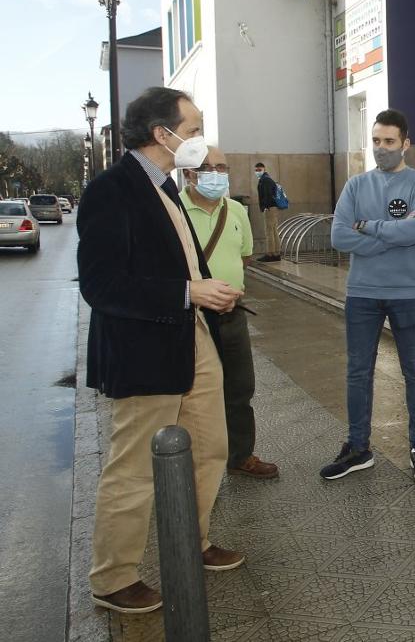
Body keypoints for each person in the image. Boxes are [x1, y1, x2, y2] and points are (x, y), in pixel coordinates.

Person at [79, 87, 244, 614]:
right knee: (133, 466)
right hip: (143, 348)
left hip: (190, 337)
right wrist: (186, 292)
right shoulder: (112, 190)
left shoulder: (167, 187)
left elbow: (179, 261)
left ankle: (188, 543)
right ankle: (112, 577)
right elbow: (101, 285)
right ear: (161, 134)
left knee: (210, 444)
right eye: (193, 129)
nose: (199, 139)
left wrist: (206, 291)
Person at [322, 109, 415, 482]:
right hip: (363, 293)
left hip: (410, 293)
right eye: (376, 141)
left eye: (389, 141)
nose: (381, 148)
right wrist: (390, 236)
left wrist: (369, 228)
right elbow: (339, 237)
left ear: (405, 143)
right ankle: (358, 447)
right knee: (358, 372)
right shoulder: (355, 186)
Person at [181, 146, 278, 479]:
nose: (217, 174)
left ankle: (240, 455)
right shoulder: (174, 210)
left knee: (240, 388)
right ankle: (192, 468)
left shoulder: (236, 210)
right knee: (192, 396)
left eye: (222, 167)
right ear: (188, 173)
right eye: (208, 168)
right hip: (191, 319)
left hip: (233, 315)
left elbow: (245, 257)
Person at [254, 162, 282, 261]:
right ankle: (277, 253)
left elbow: (267, 194)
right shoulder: (267, 179)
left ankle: (270, 254)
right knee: (274, 231)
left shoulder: (265, 180)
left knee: (269, 231)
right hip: (273, 207)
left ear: (264, 169)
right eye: (256, 170)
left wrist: (265, 206)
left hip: (269, 208)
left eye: (259, 170)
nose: (257, 172)